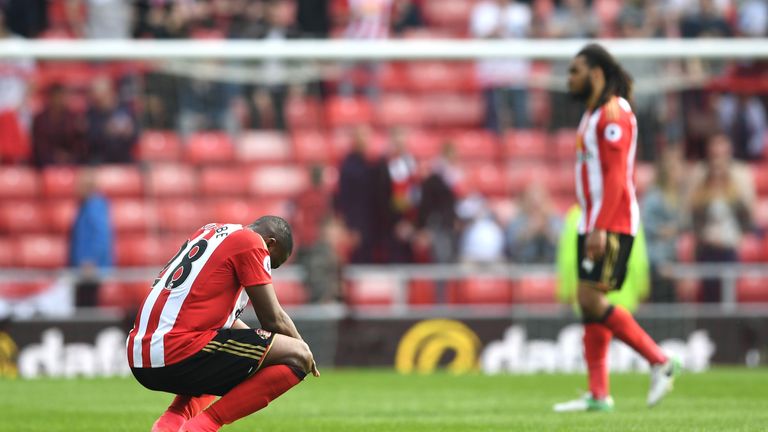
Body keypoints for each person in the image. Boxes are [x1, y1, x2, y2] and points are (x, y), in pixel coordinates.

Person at [553, 44, 680, 413]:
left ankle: (660, 360)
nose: (569, 79)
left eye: (575, 71)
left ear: (595, 73)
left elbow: (615, 179)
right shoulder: (594, 113)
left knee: (593, 300)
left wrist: (601, 227)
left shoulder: (613, 113)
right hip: (593, 220)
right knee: (587, 301)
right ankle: (598, 394)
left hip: (610, 222)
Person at [128, 216, 319, 432]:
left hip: (140, 354)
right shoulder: (252, 242)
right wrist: (304, 350)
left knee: (231, 360)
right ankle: (202, 428)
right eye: (272, 263)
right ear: (270, 243)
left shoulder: (210, 231)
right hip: (176, 350)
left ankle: (169, 425)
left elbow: (220, 320)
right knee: (297, 357)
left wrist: (264, 348)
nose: (268, 269)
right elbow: (272, 318)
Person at [641, 145, 687, 303]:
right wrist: (663, 231)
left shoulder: (678, 197)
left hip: (671, 259)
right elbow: (645, 225)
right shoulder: (655, 196)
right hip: (657, 263)